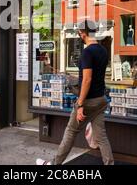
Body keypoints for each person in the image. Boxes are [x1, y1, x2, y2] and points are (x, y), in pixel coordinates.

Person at [36, 20, 114, 165]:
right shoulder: (103, 50)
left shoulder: (87, 52)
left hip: (88, 101)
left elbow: (87, 80)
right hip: (100, 100)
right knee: (101, 137)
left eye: (79, 32)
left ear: (83, 33)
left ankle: (53, 164)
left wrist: (80, 104)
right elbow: (93, 76)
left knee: (71, 132)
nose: (79, 34)